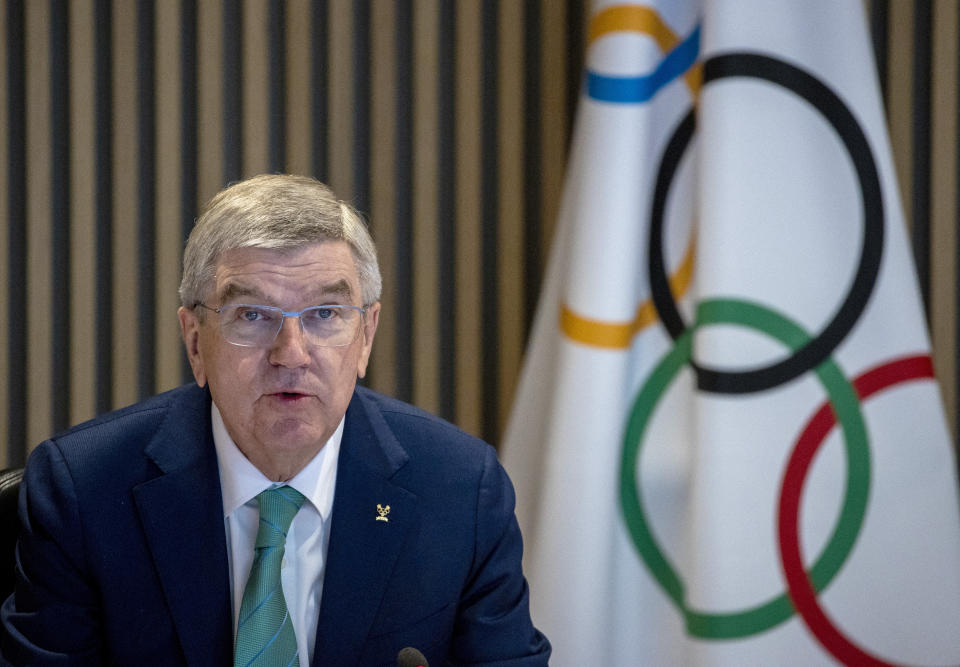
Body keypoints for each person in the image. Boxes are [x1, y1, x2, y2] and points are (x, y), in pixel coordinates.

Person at [0, 174, 551, 665]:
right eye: (253, 315)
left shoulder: (458, 490)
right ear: (195, 342)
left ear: (367, 337)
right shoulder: (85, 492)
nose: (291, 352)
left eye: (325, 314)